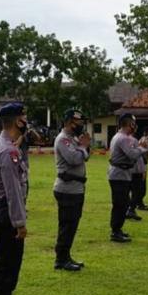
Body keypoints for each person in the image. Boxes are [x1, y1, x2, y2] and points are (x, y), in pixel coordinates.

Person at [0, 103, 33, 295]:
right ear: (18, 121)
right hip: (6, 213)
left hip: (5, 211)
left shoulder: (9, 145)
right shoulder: (7, 150)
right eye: (24, 117)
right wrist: (20, 222)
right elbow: (13, 191)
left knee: (11, 259)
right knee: (6, 260)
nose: (27, 121)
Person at [53, 109, 91, 272]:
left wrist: (83, 148)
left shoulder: (73, 139)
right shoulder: (63, 140)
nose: (81, 126)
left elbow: (86, 156)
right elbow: (74, 159)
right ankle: (61, 259)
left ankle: (66, 256)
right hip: (67, 189)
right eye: (79, 123)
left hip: (76, 188)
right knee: (67, 225)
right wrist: (83, 147)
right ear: (69, 122)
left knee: (72, 225)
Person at [107, 113, 148, 243]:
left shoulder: (120, 137)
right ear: (129, 124)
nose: (134, 126)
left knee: (122, 203)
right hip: (119, 174)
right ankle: (115, 231)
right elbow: (132, 155)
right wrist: (142, 148)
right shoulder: (123, 138)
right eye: (133, 123)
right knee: (120, 204)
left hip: (121, 174)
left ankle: (117, 229)